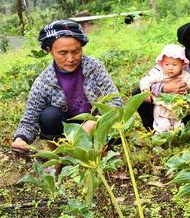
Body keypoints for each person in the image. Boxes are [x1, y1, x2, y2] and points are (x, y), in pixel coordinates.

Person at [11, 20, 122, 153]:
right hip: (68, 136)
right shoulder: (44, 81)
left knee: (111, 123)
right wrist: (20, 139)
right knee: (49, 116)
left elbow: (116, 102)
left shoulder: (94, 67)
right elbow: (30, 118)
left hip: (98, 129)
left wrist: (95, 121)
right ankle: (60, 158)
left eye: (76, 51)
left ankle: (101, 153)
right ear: (49, 50)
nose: (70, 58)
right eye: (63, 53)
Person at [139, 44, 190, 133]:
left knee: (179, 128)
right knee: (163, 126)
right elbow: (145, 80)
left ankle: (177, 140)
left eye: (174, 64)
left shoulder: (185, 76)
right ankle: (160, 138)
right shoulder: (160, 74)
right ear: (162, 64)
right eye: (167, 64)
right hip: (162, 108)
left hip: (178, 109)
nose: (170, 68)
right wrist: (145, 90)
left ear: (182, 65)